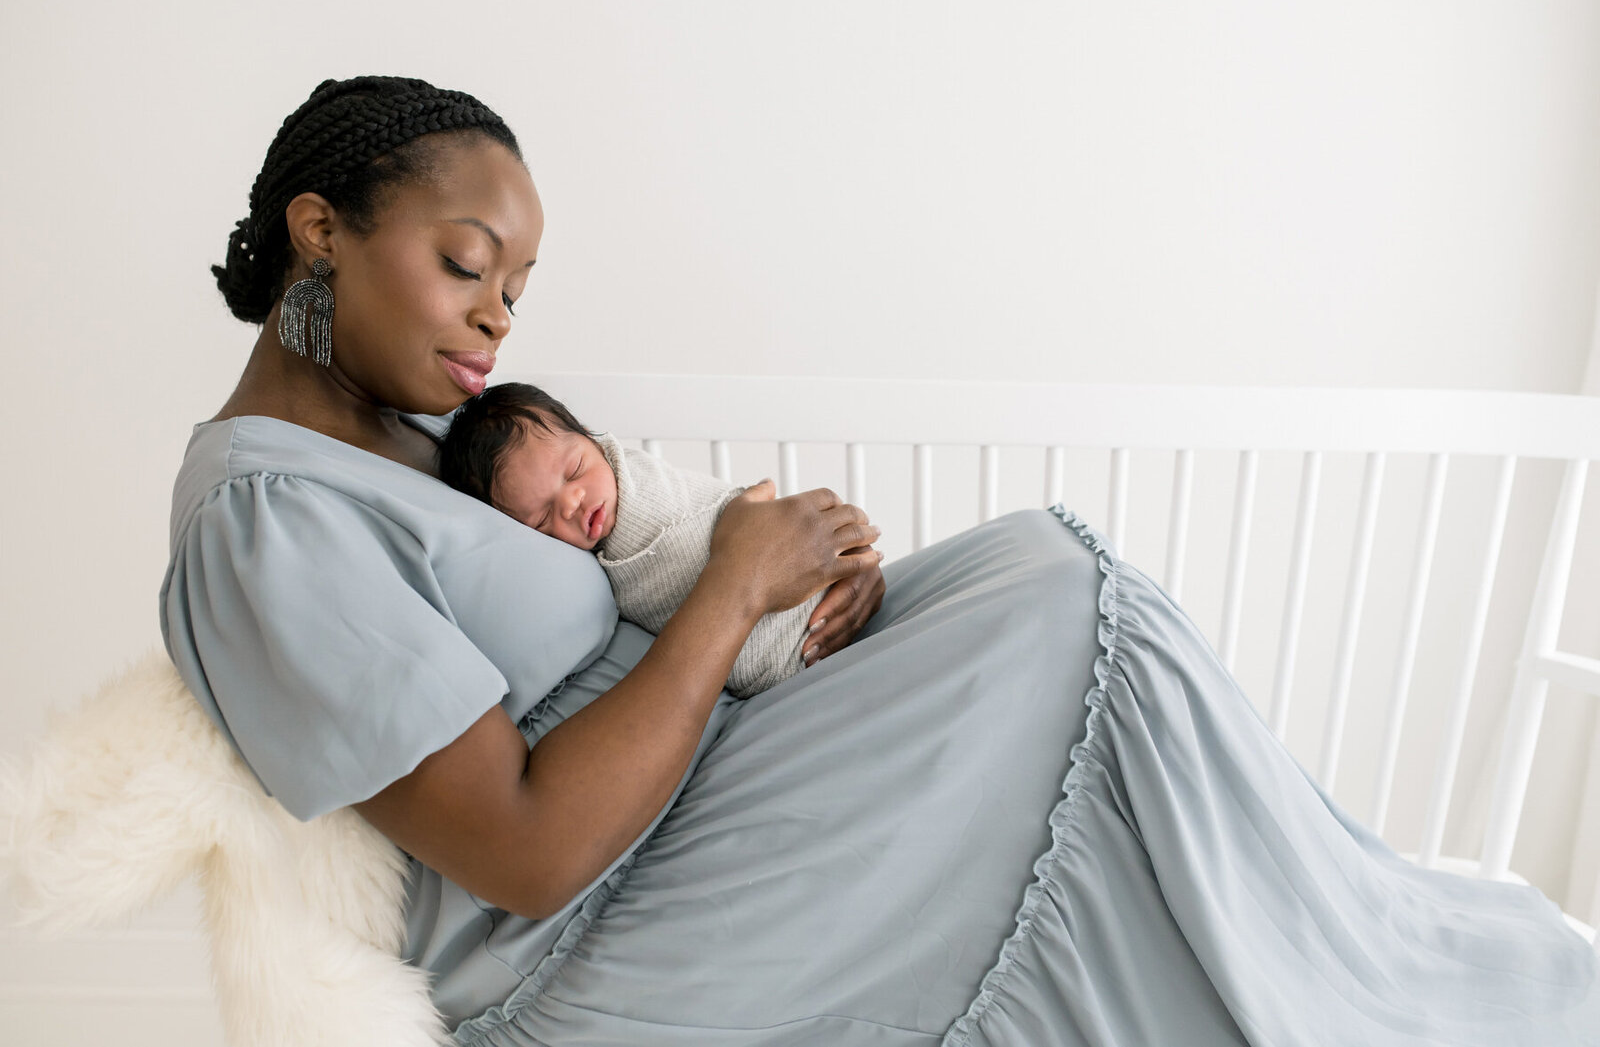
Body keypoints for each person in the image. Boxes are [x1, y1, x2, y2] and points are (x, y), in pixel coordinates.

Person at [162, 75, 1598, 1046]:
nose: (493, 324)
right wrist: (734, 586)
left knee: (1043, 574)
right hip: (598, 929)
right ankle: (1360, 983)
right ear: (320, 230)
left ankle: (1356, 956)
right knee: (1062, 620)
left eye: (516, 292)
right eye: (465, 265)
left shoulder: (409, 439)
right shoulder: (266, 518)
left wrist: (795, 591)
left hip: (695, 787)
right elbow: (526, 854)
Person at [438, 381, 824, 697]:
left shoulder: (640, 487)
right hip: (789, 676)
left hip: (806, 617)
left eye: (575, 471)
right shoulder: (563, 572)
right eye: (541, 517)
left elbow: (731, 511)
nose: (572, 502)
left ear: (592, 439)